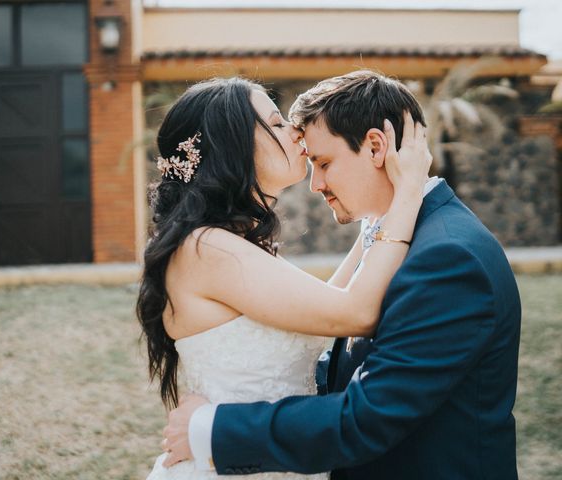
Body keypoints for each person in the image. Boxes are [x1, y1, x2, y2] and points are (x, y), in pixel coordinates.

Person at [162, 71, 521, 480]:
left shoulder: (449, 257)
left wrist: (212, 428)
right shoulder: (213, 247)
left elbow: (368, 413)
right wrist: (400, 199)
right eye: (277, 123)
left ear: (375, 147)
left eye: (324, 162)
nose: (315, 183)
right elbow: (346, 331)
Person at [138, 75, 431, 479]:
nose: (294, 132)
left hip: (262, 458)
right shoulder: (208, 249)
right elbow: (355, 311)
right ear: (233, 145)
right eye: (276, 123)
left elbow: (336, 298)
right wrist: (409, 192)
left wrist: (383, 206)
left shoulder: (227, 243)